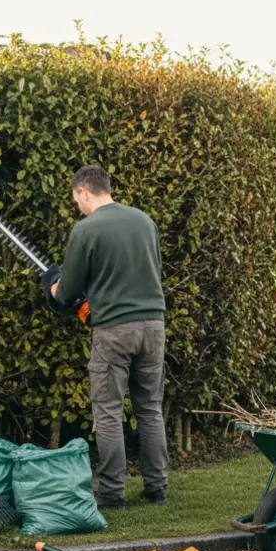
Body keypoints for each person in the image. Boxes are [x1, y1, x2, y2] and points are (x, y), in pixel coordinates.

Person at [50, 165, 168, 509]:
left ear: (83, 192)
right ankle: (157, 489)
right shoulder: (144, 221)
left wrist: (55, 287)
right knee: (149, 409)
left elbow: (66, 292)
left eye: (76, 199)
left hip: (114, 329)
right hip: (153, 325)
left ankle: (113, 493)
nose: (77, 206)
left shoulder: (86, 229)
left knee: (108, 411)